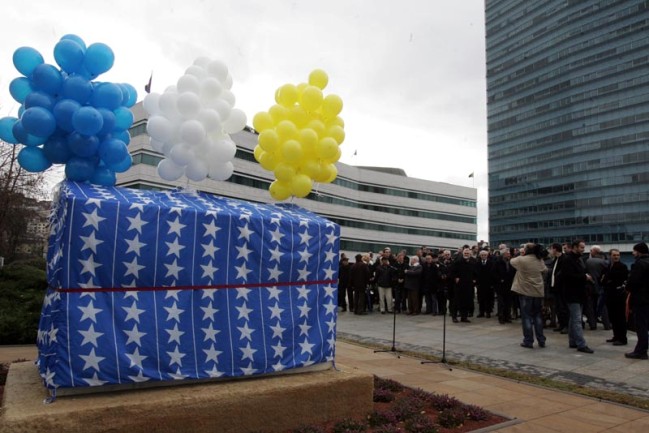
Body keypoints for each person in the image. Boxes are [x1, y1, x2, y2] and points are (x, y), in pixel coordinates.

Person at [510, 243, 548, 348]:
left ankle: (528, 340)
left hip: (525, 291)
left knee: (526, 317)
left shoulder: (522, 260)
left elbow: (512, 261)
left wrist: (518, 253)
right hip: (537, 292)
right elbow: (545, 270)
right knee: (537, 316)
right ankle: (541, 340)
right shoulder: (539, 260)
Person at [562, 239, 595, 353]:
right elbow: (569, 276)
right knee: (577, 319)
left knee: (573, 319)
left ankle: (573, 341)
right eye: (581, 247)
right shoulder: (568, 260)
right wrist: (584, 277)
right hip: (573, 293)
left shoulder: (577, 259)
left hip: (579, 293)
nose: (583, 249)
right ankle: (581, 344)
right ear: (575, 247)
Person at [624, 242, 649, 360]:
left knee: (641, 325)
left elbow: (633, 282)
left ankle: (641, 351)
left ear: (638, 252)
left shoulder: (639, 264)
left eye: (634, 251)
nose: (633, 253)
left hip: (640, 299)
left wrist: (627, 288)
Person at [601, 249, 629, 345]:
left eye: (618, 255)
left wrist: (609, 281)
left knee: (620, 317)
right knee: (613, 317)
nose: (616, 257)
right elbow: (603, 279)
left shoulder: (622, 266)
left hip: (618, 295)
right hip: (610, 294)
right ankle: (616, 336)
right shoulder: (608, 266)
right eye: (614, 255)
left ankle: (622, 338)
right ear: (610, 256)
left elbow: (619, 279)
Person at [450, 247, 477, 323]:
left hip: (468, 285)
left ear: (470, 254)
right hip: (459, 285)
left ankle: (464, 317)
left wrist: (475, 279)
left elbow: (476, 272)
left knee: (466, 301)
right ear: (463, 253)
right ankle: (454, 317)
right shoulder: (457, 261)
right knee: (456, 301)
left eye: (468, 253)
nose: (466, 254)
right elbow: (452, 271)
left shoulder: (473, 262)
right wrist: (456, 277)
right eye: (465, 253)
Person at [548, 243, 569, 334]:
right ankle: (561, 324)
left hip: (562, 288)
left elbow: (563, 274)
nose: (550, 251)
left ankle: (566, 325)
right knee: (558, 307)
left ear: (555, 249)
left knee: (563, 307)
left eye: (551, 249)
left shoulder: (564, 259)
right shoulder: (556, 259)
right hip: (555, 287)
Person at [495, 247, 516, 324]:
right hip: (501, 286)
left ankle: (507, 316)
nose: (509, 255)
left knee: (508, 302)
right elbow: (494, 273)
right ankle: (501, 317)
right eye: (508, 253)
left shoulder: (511, 262)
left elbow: (513, 272)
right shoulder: (498, 262)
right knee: (501, 303)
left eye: (509, 254)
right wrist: (500, 279)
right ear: (504, 254)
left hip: (509, 285)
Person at [475, 250, 495, 318]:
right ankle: (481, 312)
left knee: (488, 299)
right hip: (480, 284)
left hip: (488, 284)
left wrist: (492, 284)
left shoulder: (491, 263)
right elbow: (476, 273)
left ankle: (488, 312)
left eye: (485, 255)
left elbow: (492, 274)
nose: (483, 256)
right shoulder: (477, 263)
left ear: (487, 255)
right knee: (480, 299)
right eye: (482, 255)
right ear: (480, 256)